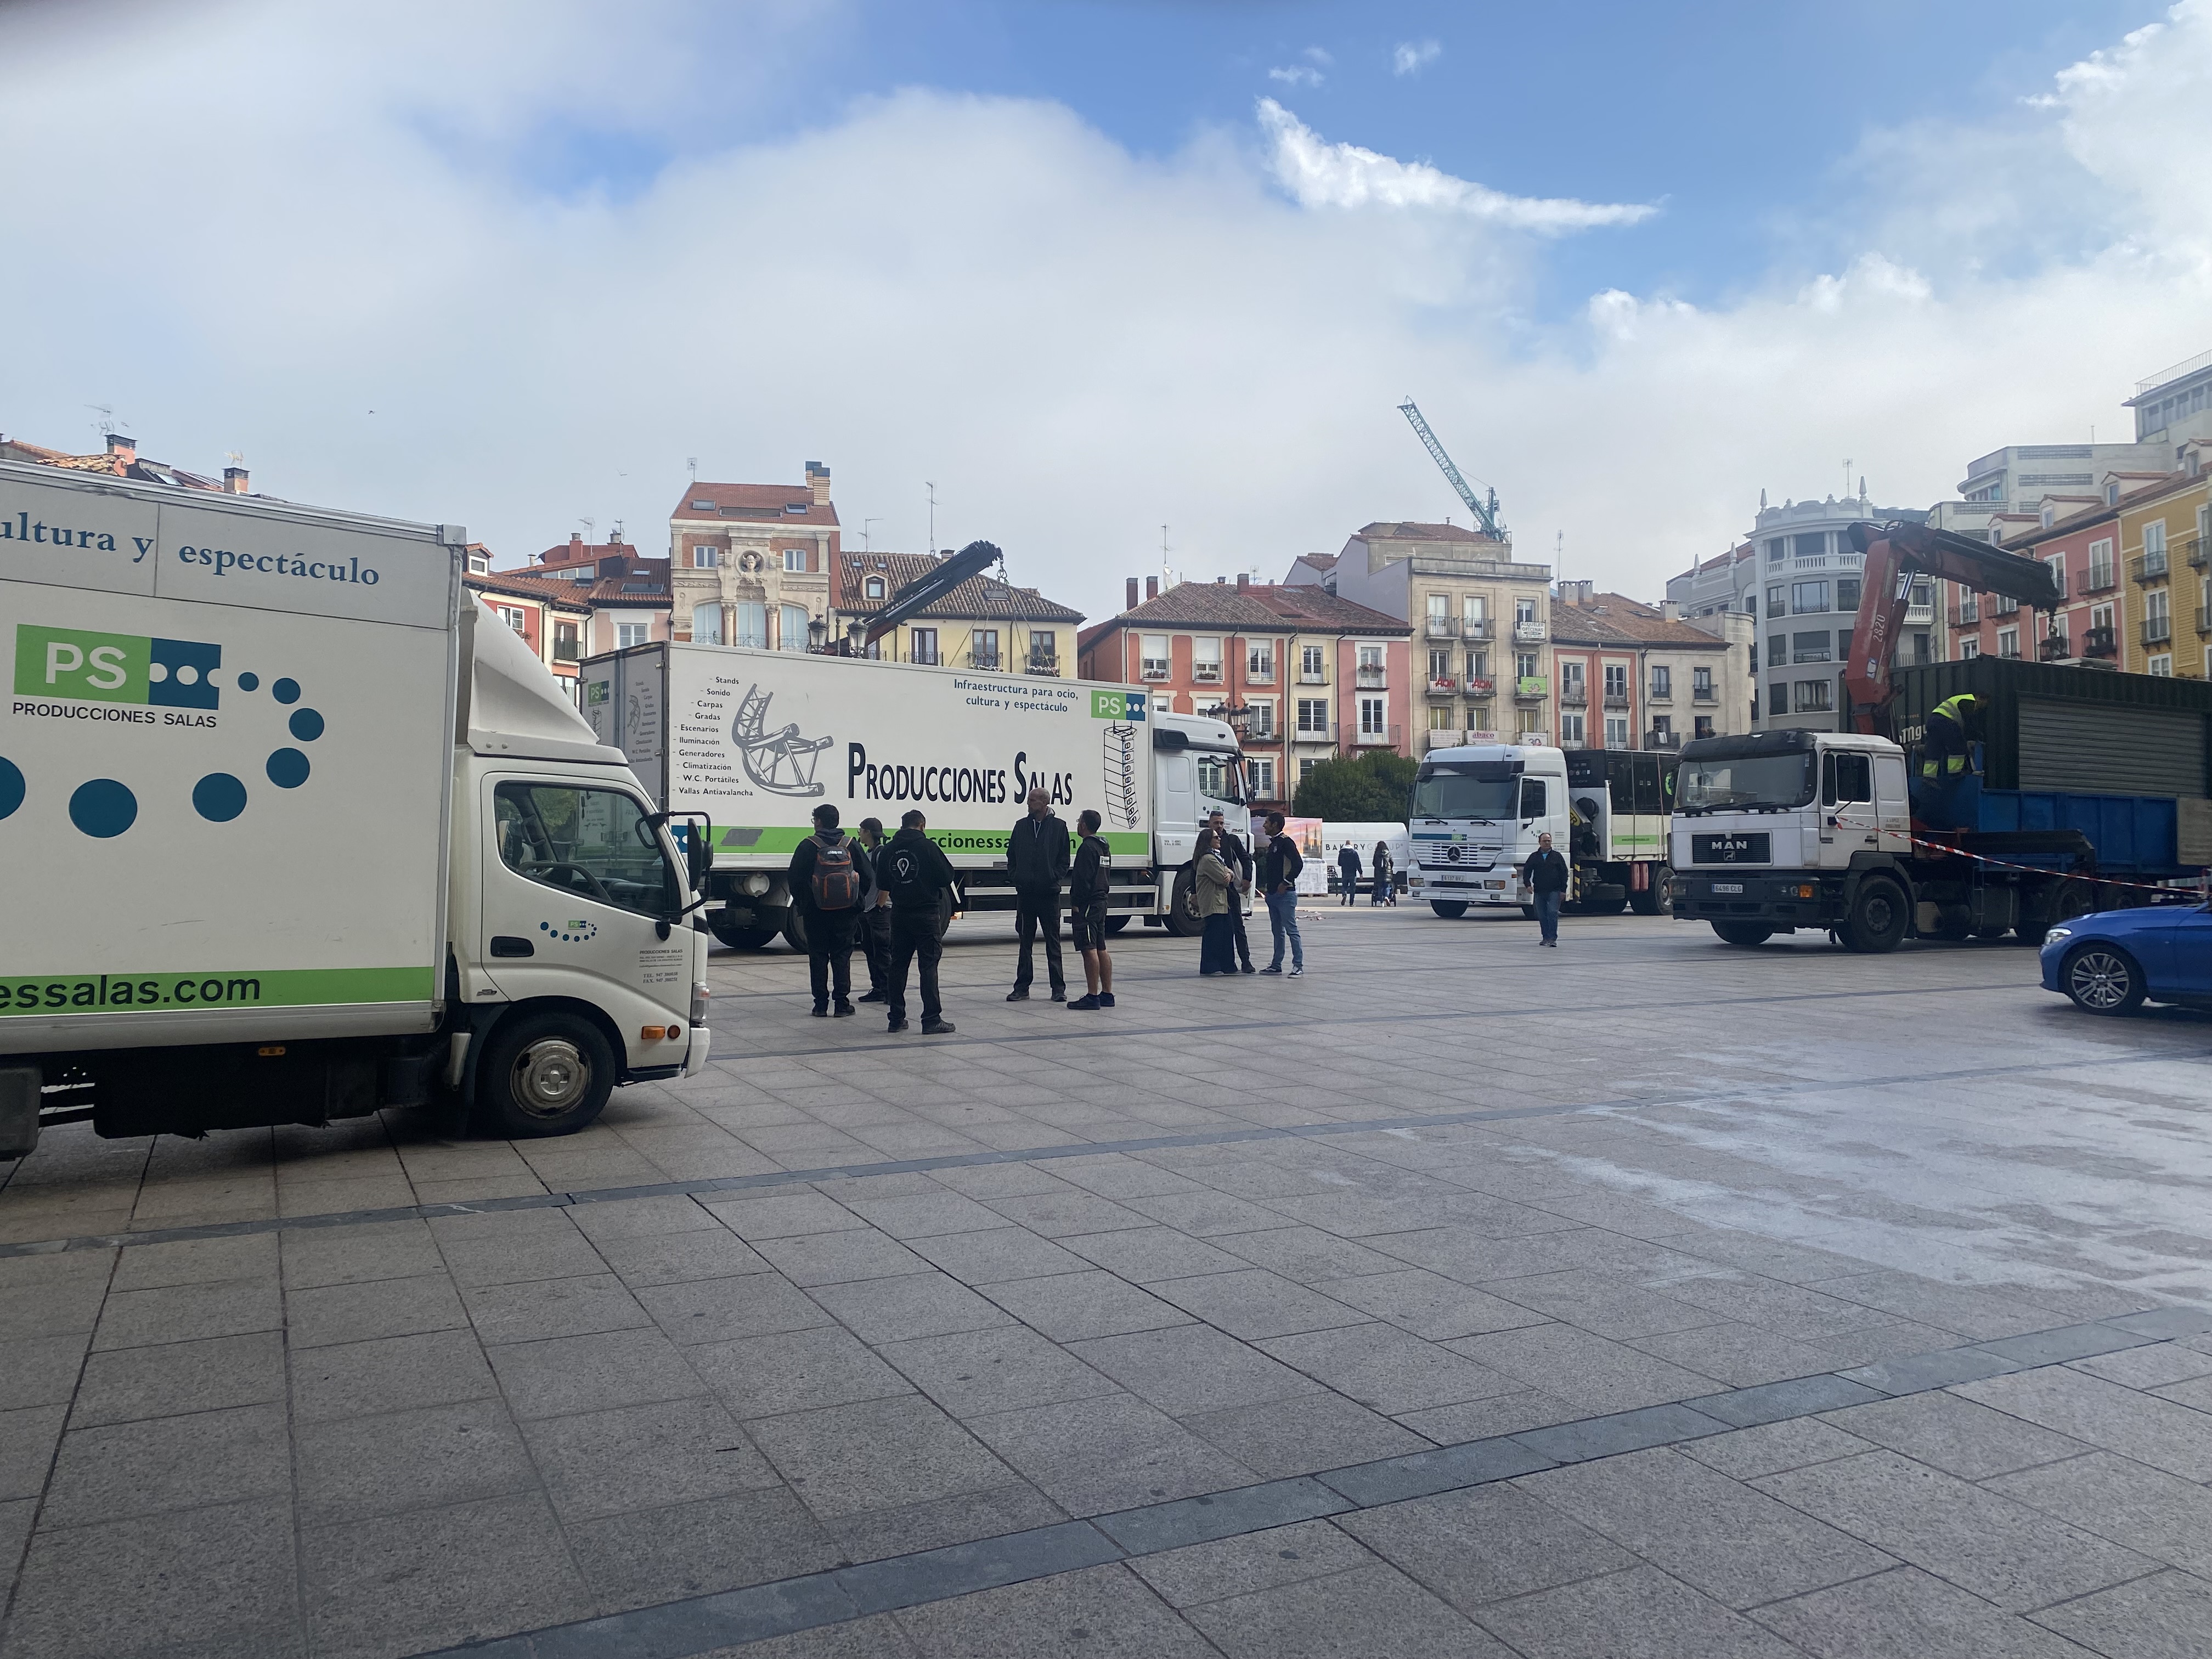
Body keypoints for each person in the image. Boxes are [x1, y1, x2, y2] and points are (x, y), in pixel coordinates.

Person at [877, 809, 958, 1035]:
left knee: (898, 966)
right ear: (922, 825)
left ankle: (896, 1018)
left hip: (900, 914)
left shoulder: (889, 849)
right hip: (926, 914)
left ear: (903, 826)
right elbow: (947, 876)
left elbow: (883, 881)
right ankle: (931, 1019)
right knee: (928, 966)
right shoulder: (928, 847)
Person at [787, 803, 867, 1015]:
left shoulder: (808, 846)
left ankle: (820, 1005)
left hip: (816, 913)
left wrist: (807, 904)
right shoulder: (851, 845)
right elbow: (868, 877)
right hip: (846, 913)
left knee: (818, 956)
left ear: (820, 822)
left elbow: (794, 879)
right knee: (842, 956)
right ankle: (842, 1004)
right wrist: (855, 903)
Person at [1007, 785, 1070, 1002]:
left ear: (1044, 803)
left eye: (1032, 801)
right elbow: (1012, 855)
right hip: (1026, 894)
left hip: (1049, 894)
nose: (1028, 804)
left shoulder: (1059, 827)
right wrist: (1017, 877)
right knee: (1025, 942)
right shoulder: (1021, 826)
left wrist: (1054, 876)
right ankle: (1022, 987)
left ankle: (1058, 989)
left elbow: (1064, 858)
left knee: (1053, 942)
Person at [1066, 808, 1116, 1011]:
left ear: (1084, 825)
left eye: (1079, 821)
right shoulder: (1104, 847)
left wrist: (1076, 903)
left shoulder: (1087, 848)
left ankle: (1092, 996)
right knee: (1101, 947)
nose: (1078, 824)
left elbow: (1083, 879)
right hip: (1101, 902)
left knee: (1089, 949)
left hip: (1087, 905)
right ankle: (1107, 993)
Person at [1257, 811, 1305, 976]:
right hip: (1273, 895)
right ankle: (1276, 964)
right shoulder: (1273, 844)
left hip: (1286, 895)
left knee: (1291, 930)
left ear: (1275, 825)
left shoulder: (1286, 843)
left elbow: (1298, 864)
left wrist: (1286, 882)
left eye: (1266, 822)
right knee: (1277, 931)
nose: (1264, 826)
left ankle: (1298, 965)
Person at [1209, 809, 1256, 973]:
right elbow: (1196, 866)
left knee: (1238, 927)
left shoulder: (1232, 840)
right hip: (1214, 893)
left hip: (1230, 891)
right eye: (1217, 823)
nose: (1220, 826)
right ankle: (1224, 964)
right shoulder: (1205, 841)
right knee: (1220, 930)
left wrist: (1247, 879)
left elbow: (1246, 859)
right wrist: (1194, 892)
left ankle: (1246, 961)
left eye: (1222, 823)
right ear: (1210, 824)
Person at [854, 816, 893, 1003]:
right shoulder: (868, 853)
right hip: (867, 909)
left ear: (868, 832)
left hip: (878, 910)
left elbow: (886, 880)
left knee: (882, 950)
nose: (859, 834)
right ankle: (878, 987)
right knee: (870, 949)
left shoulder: (880, 853)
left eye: (861, 830)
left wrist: (880, 904)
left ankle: (887, 989)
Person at [1192, 827, 1238, 975]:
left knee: (1225, 934)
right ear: (1208, 841)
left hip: (1221, 903)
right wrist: (1228, 875)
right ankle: (1210, 967)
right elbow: (1221, 878)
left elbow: (1229, 872)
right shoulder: (1208, 859)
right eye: (1216, 838)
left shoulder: (1215, 857)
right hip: (1213, 903)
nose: (1219, 839)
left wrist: (1229, 874)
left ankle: (1227, 966)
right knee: (1214, 936)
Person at [1522, 830, 1569, 947]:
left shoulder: (1557, 856)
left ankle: (1553, 938)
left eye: (1549, 841)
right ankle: (1546, 937)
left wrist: (1563, 890)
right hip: (1539, 891)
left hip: (1555, 890)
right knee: (1542, 915)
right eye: (1545, 841)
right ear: (1540, 842)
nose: (1547, 843)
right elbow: (1527, 871)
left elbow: (1564, 873)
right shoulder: (1534, 857)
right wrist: (1528, 885)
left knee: (1553, 912)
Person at [1923, 692, 1979, 781]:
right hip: (1945, 721)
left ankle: (1929, 777)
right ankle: (1955, 772)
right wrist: (1975, 735)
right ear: (1979, 698)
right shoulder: (1970, 701)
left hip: (1932, 720)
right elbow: (1967, 720)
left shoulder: (1958, 699)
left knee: (1934, 749)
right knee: (1958, 745)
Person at [1336, 842, 1361, 906]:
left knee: (1344, 886)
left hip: (1345, 872)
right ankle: (1351, 903)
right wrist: (1361, 873)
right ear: (1351, 845)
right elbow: (1358, 863)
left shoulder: (1341, 852)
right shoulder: (1354, 853)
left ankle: (1344, 895)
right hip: (1353, 873)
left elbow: (1339, 863)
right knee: (1352, 888)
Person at [1370, 840, 1393, 906]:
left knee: (1380, 887)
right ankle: (1386, 897)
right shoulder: (1388, 853)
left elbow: (1374, 863)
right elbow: (1392, 862)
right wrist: (1390, 869)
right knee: (1387, 886)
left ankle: (1382, 901)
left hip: (1379, 873)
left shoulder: (1376, 854)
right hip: (1387, 872)